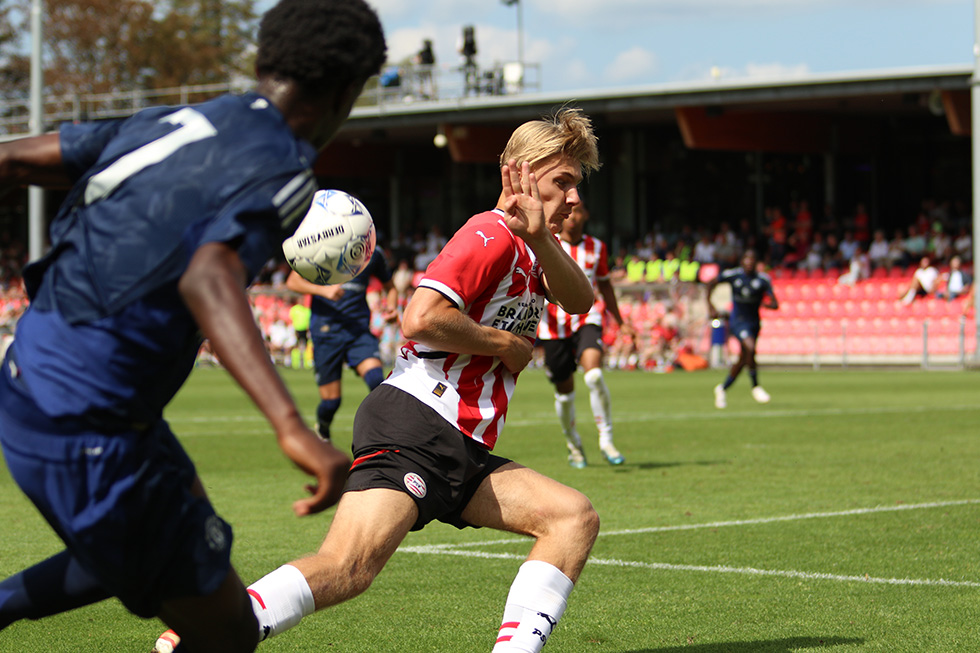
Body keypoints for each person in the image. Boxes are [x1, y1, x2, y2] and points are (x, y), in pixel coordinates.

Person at [0, 1, 386, 651]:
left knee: (157, 533)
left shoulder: (178, 120)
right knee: (228, 631)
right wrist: (292, 428)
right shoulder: (286, 168)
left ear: (265, 60)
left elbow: (11, 159)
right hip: (91, 425)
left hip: (28, 382)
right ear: (347, 91)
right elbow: (208, 273)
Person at [154, 107, 603, 653]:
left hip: (457, 441)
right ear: (520, 173)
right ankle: (205, 634)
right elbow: (421, 318)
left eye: (577, 185)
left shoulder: (533, 249)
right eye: (563, 182)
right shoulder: (488, 234)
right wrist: (504, 344)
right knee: (346, 567)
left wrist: (544, 239)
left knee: (571, 517)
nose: (575, 198)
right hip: (418, 424)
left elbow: (581, 300)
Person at [536, 202, 635, 468]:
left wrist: (621, 322)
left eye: (579, 211)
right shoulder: (546, 243)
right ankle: (574, 445)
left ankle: (606, 439)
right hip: (552, 327)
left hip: (587, 319)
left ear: (586, 215)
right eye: (570, 211)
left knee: (594, 374)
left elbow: (605, 286)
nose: (573, 217)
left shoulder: (597, 247)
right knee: (565, 392)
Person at [284, 245, 398, 443]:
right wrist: (323, 290)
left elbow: (391, 287)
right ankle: (323, 427)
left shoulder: (372, 253)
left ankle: (382, 439)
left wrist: (392, 307)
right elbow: (293, 281)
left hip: (358, 331)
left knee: (377, 383)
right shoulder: (320, 247)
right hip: (326, 333)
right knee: (331, 402)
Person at [707, 249, 778, 408]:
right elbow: (711, 283)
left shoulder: (762, 280)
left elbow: (775, 303)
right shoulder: (734, 275)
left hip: (754, 322)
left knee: (744, 358)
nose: (749, 263)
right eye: (746, 259)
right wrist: (710, 306)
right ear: (742, 261)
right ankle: (756, 386)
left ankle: (722, 388)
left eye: (752, 260)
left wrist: (765, 303)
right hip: (738, 321)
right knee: (750, 347)